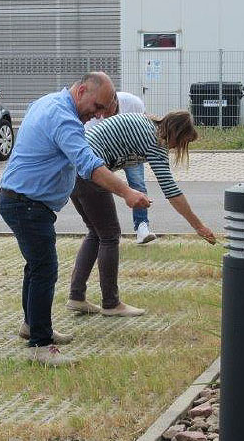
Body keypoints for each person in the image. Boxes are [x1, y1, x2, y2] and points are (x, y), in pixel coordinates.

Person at [0, 72, 151, 367]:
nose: (100, 115)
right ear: (81, 91)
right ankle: (40, 345)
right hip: (26, 204)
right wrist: (128, 193)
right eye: (97, 107)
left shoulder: (48, 102)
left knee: (36, 267)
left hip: (22, 200)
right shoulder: (64, 118)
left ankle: (33, 325)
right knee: (45, 269)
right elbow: (90, 165)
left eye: (104, 109)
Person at [67, 110, 217, 317]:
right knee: (110, 236)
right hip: (90, 171)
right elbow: (171, 190)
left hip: (72, 168)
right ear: (175, 132)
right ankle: (111, 304)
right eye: (182, 142)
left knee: (96, 232)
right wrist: (198, 226)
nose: (176, 148)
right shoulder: (155, 141)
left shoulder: (145, 123)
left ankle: (76, 297)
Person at [86, 91, 156, 244]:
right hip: (104, 154)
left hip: (131, 150)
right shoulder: (92, 113)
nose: (101, 115)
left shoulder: (133, 102)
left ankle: (142, 227)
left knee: (137, 184)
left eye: (107, 110)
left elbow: (146, 126)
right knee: (101, 188)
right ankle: (104, 229)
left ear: (115, 103)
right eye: (100, 111)